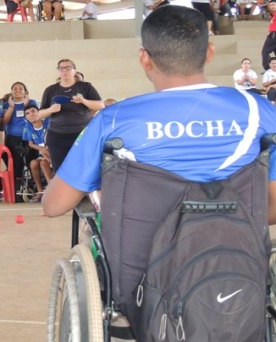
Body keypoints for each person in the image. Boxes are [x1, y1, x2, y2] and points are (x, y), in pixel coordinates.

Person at [42, 3, 276, 331]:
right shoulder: (260, 112)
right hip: (241, 276)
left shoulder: (114, 121)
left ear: (144, 57)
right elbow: (271, 208)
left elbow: (53, 205)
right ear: (209, 52)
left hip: (142, 295)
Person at [38, 58, 104, 172]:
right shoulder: (50, 90)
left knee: (85, 169)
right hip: (57, 136)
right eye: (61, 68)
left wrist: (84, 101)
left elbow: (101, 106)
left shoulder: (86, 87)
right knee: (60, 171)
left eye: (68, 67)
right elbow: (39, 114)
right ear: (58, 71)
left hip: (82, 134)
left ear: (74, 71)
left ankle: (86, 190)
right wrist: (51, 109)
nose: (65, 70)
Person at [2, 82, 38, 200]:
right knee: (16, 165)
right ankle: (16, 193)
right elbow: (5, 121)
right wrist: (12, 107)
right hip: (13, 137)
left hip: (29, 137)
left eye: (20, 88)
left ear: (25, 92)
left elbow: (35, 118)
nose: (17, 90)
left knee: (31, 162)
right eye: (15, 89)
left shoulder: (31, 102)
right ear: (11, 91)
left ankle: (34, 189)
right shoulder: (7, 104)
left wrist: (26, 106)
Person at [23, 104, 52, 203]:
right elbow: (30, 143)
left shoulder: (48, 122)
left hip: (52, 151)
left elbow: (53, 139)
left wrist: (46, 150)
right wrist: (41, 148)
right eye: (27, 113)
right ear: (25, 117)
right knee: (33, 163)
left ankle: (52, 191)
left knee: (43, 163)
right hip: (41, 152)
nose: (31, 114)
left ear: (39, 112)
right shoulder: (28, 126)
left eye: (33, 111)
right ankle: (40, 191)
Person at [261, 0, 276, 71]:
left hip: (274, 34)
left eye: (274, 4)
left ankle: (268, 68)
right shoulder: (273, 15)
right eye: (271, 5)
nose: (272, 6)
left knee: (265, 51)